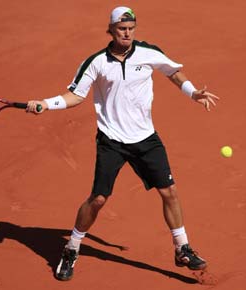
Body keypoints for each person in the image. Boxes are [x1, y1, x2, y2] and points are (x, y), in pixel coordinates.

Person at [27, 6, 219, 281]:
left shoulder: (148, 52)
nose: (127, 32)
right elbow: (75, 96)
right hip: (112, 140)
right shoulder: (96, 62)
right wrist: (45, 104)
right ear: (112, 30)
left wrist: (193, 93)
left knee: (170, 192)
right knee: (98, 199)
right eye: (121, 28)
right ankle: (72, 248)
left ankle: (182, 249)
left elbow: (173, 72)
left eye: (131, 28)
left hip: (146, 138)